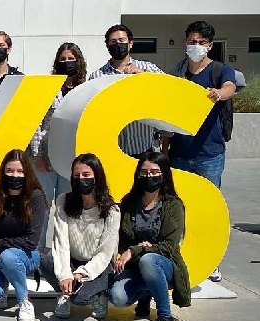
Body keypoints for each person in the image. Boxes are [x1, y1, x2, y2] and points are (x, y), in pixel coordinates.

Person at [165, 20, 238, 282]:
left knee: (207, 209)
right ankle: (183, 255)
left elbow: (231, 87)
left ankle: (212, 261)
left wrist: (219, 93)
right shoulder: (179, 73)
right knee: (178, 208)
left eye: (201, 42)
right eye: (191, 41)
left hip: (210, 154)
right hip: (180, 153)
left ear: (209, 45)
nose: (195, 46)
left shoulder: (220, 70)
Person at [108, 151, 191, 321]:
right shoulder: (129, 202)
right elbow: (121, 239)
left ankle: (165, 317)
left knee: (149, 260)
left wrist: (138, 249)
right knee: (117, 297)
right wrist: (132, 250)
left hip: (164, 265)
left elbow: (169, 246)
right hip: (136, 266)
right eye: (144, 172)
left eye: (154, 172)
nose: (149, 176)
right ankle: (146, 293)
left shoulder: (173, 205)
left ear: (164, 175)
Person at [40, 153, 120, 320]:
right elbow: (60, 242)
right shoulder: (64, 201)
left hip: (100, 266)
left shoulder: (111, 211)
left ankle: (100, 294)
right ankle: (64, 292)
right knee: (45, 261)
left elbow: (105, 253)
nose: (81, 179)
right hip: (72, 260)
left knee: (81, 299)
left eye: (86, 175)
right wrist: (65, 275)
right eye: (76, 176)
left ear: (97, 176)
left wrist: (82, 274)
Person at [0, 149, 48, 321]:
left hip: (26, 255)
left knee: (9, 257)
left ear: (27, 173)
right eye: (10, 171)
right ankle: (4, 283)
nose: (14, 175)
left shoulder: (35, 197)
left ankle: (24, 301)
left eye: (20, 171)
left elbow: (31, 241)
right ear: (3, 171)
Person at [88, 24, 164, 156]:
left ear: (131, 43)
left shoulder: (148, 68)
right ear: (107, 46)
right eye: (113, 42)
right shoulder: (97, 76)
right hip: (113, 149)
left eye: (121, 40)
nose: (118, 44)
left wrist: (144, 75)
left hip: (144, 147)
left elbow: (167, 89)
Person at [29, 43, 87, 213]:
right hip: (45, 157)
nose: (67, 62)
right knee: (41, 207)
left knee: (68, 209)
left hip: (72, 158)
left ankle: (63, 241)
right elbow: (37, 123)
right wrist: (37, 155)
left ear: (78, 62)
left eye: (71, 59)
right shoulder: (48, 88)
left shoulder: (84, 89)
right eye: (63, 59)